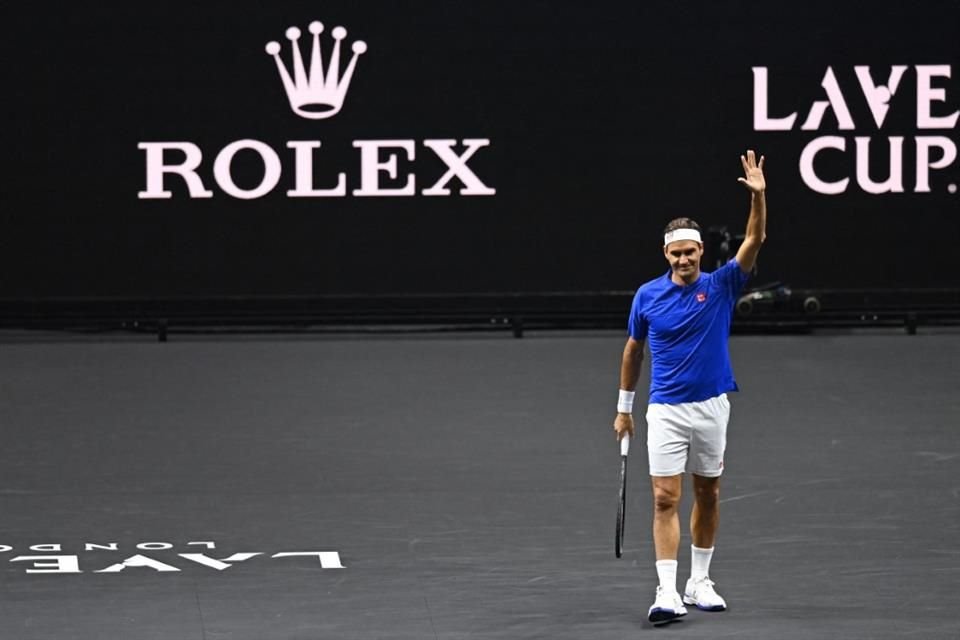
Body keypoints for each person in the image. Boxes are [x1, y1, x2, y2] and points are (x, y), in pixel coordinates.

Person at [613, 150, 766, 625]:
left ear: (701, 252)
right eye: (676, 252)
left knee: (709, 494)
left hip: (712, 408)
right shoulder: (647, 295)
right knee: (664, 497)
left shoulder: (722, 286)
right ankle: (666, 591)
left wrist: (759, 198)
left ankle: (700, 581)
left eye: (691, 251)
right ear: (666, 255)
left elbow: (756, 238)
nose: (684, 258)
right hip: (665, 411)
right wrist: (624, 409)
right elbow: (633, 351)